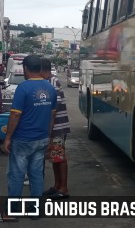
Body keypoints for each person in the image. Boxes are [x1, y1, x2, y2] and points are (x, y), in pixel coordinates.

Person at [2, 55, 56, 221]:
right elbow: (52, 115)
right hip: (41, 139)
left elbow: (15, 115)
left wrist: (8, 138)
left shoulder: (23, 88)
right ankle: (36, 210)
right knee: (36, 175)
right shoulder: (50, 88)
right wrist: (48, 135)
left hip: (23, 139)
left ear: (25, 68)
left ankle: (11, 212)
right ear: (40, 68)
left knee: (16, 175)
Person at [41, 58, 71, 199]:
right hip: (55, 126)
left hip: (57, 126)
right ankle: (56, 185)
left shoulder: (53, 82)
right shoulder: (48, 82)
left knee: (59, 157)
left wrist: (49, 129)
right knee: (55, 158)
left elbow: (54, 108)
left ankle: (63, 188)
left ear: (42, 69)